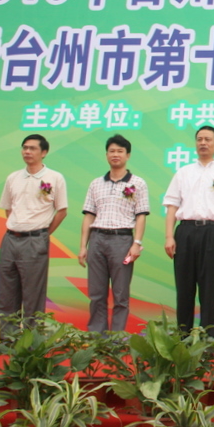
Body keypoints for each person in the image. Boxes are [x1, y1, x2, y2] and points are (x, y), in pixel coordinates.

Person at [163, 126, 214, 336]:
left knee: (209, 290)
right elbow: (172, 206)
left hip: (212, 233)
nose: (203, 143)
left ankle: (208, 343)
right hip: (185, 232)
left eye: (207, 139)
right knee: (184, 289)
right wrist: (169, 236)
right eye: (199, 139)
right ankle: (183, 340)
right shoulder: (183, 172)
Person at [0, 134, 68, 339]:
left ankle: (31, 343)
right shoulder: (13, 177)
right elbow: (8, 208)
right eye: (25, 148)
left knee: (33, 295)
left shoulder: (55, 178)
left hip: (35, 240)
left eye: (32, 148)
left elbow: (62, 211)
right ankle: (7, 340)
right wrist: (18, 227)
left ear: (44, 152)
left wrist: (42, 233)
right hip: (10, 239)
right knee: (7, 293)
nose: (27, 152)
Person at [78, 134, 149, 332]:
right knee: (96, 294)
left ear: (128, 155)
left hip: (122, 241)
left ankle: (116, 340)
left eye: (120, 151)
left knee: (120, 295)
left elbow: (141, 216)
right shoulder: (96, 184)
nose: (115, 155)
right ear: (106, 155)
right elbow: (89, 216)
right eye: (112, 151)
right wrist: (83, 246)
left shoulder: (138, 183)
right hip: (97, 240)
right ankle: (97, 338)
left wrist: (136, 243)